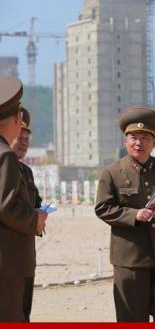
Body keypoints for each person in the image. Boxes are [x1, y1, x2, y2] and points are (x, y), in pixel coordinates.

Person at [95, 106, 155, 322]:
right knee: (131, 316)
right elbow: (102, 208)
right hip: (130, 258)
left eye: (145, 138)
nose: (139, 143)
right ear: (125, 141)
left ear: (154, 142)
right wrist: (133, 215)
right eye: (133, 137)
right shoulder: (112, 172)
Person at [0, 77, 47, 321]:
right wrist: (35, 220)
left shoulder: (19, 167)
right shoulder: (5, 156)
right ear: (17, 120)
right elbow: (5, 205)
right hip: (8, 262)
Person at [9, 107, 42, 322]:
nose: (24, 141)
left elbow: (35, 202)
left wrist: (40, 214)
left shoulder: (25, 171)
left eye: (27, 136)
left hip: (25, 257)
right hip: (6, 260)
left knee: (23, 314)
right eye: (19, 136)